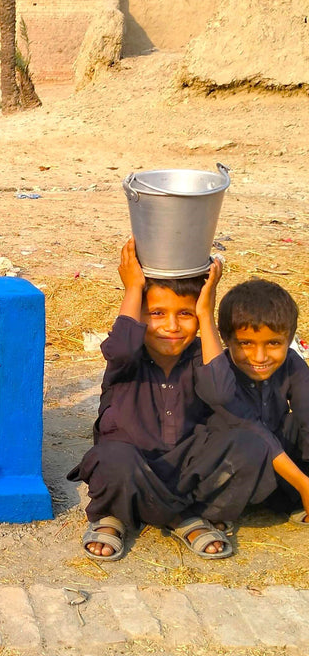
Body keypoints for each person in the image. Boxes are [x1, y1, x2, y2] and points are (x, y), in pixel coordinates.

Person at [68, 238, 236, 561]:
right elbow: (121, 346)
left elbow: (222, 393)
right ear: (140, 314)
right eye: (157, 313)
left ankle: (150, 513)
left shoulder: (200, 355)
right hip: (127, 468)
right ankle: (163, 517)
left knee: (234, 445)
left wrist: (206, 313)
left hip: (180, 473)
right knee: (113, 459)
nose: (171, 326)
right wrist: (133, 289)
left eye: (185, 313)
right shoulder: (127, 356)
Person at [192, 278, 309, 524]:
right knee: (249, 443)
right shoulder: (219, 377)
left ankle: (289, 501)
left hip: (271, 471)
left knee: (297, 425)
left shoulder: (291, 364)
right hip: (230, 472)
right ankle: (207, 518)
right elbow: (254, 431)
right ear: (225, 337)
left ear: (289, 340)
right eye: (245, 343)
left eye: (274, 343)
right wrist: (303, 482)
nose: (259, 356)